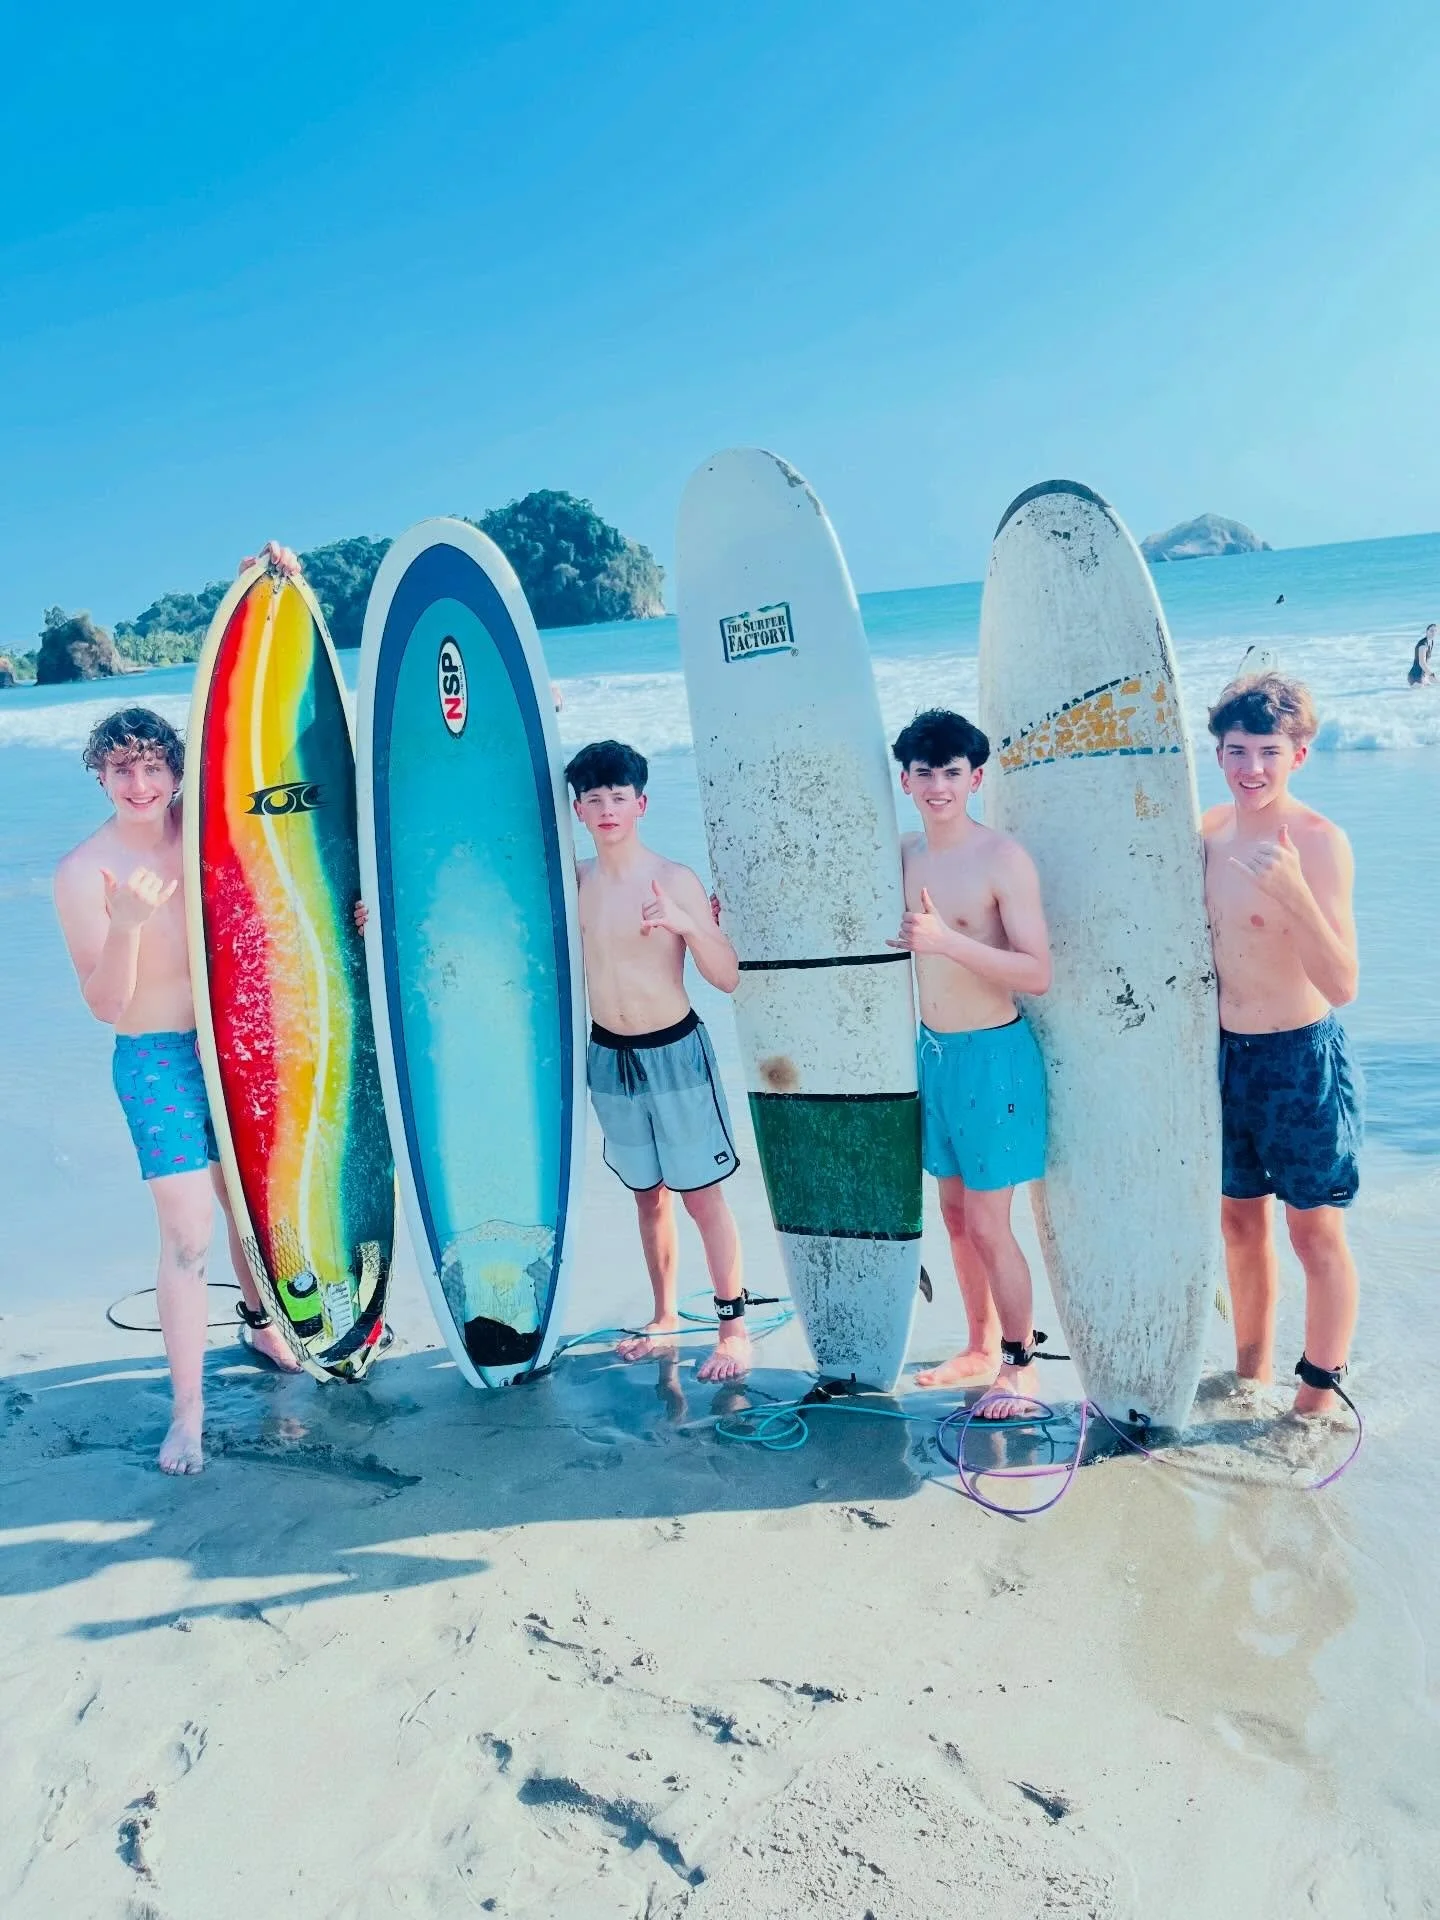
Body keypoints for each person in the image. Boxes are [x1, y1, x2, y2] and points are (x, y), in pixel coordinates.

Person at [53, 700, 303, 1476]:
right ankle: (188, 1415)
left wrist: (268, 582)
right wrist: (125, 924)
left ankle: (263, 1324)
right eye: (122, 768)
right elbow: (104, 1007)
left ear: (174, 771)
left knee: (249, 1202)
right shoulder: (80, 872)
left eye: (153, 766)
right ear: (100, 775)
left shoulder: (201, 831)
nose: (139, 783)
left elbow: (270, 768)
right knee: (190, 1230)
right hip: (153, 1056)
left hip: (230, 1039)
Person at [1201, 672, 1362, 1416]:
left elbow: (1343, 983)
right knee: (1239, 1220)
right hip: (1226, 1058)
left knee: (1314, 1231)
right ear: (1220, 753)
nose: (1251, 768)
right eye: (1237, 750)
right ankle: (1250, 1375)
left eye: (1269, 750)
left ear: (1300, 753)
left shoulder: (1321, 843)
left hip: (1300, 1057)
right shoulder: (1206, 835)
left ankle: (1317, 1398)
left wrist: (1295, 894)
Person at [565, 739, 750, 1381]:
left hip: (675, 1051)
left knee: (702, 1196)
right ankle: (665, 1315)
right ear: (579, 811)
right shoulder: (576, 881)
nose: (607, 808)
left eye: (619, 797)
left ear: (641, 804)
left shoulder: (673, 880)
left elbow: (726, 977)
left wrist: (688, 925)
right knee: (648, 1196)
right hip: (608, 1054)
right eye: (594, 799)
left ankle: (733, 1330)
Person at [885, 709, 1052, 1418]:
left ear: (975, 778)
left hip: (994, 1058)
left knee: (988, 1223)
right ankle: (980, 1345)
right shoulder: (904, 854)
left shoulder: (1001, 859)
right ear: (906, 780)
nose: (938, 785)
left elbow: (1037, 971)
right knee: (952, 1217)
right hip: (935, 1055)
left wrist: (947, 942)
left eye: (952, 772)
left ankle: (1020, 1363)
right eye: (924, 772)